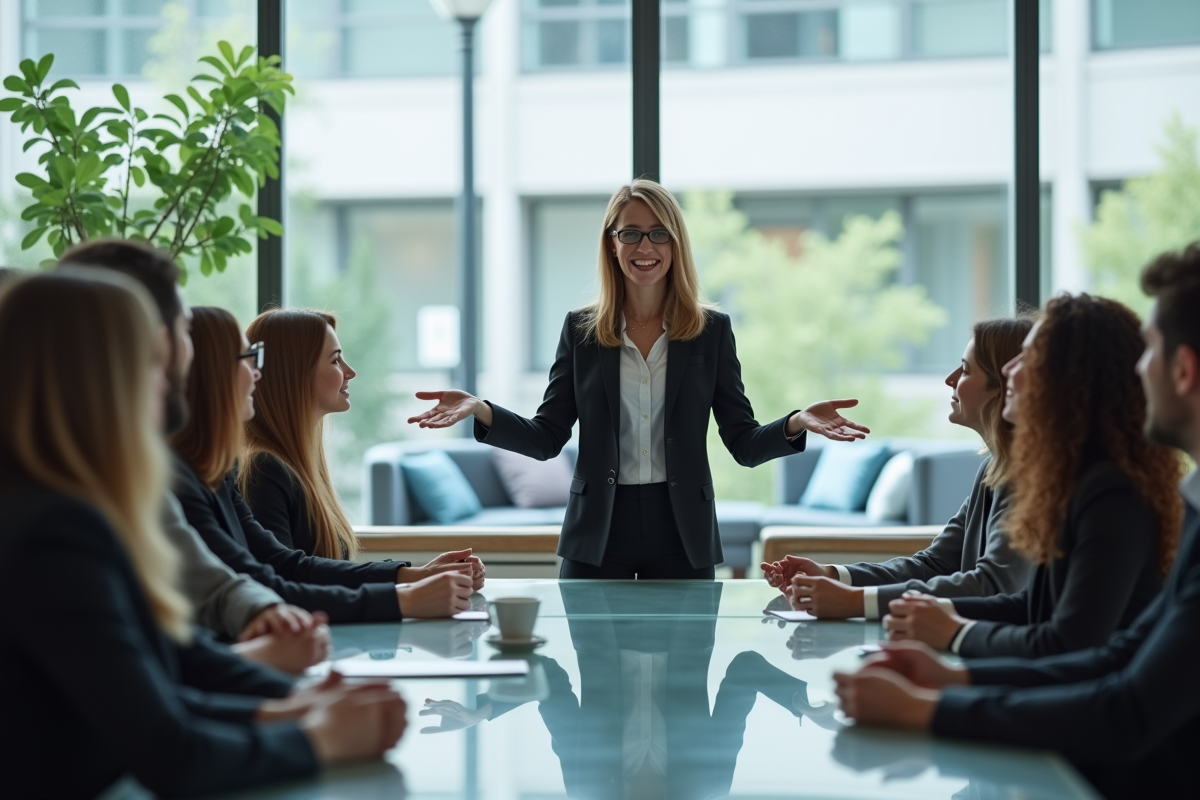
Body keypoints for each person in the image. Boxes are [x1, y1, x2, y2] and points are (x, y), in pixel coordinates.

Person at [0, 270, 407, 797]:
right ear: (99, 382)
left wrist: (292, 705)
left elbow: (158, 690)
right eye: (154, 366)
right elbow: (172, 752)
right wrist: (319, 737)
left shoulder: (60, 508)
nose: (171, 386)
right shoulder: (56, 532)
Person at [833, 244, 1200, 800]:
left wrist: (933, 703)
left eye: (1149, 350)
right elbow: (1111, 651)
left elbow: (1114, 692)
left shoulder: (1112, 490)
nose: (1009, 371)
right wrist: (954, 676)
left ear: (1183, 369)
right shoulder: (1113, 488)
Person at [408, 179, 870, 579]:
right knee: (597, 676)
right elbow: (547, 438)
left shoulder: (711, 333)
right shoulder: (581, 331)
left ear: (675, 245)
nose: (644, 247)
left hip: (682, 531)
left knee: (684, 676)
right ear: (612, 243)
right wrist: (481, 410)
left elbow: (743, 443)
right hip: (598, 532)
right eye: (630, 233)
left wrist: (796, 422)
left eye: (658, 234)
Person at [57, 239, 327, 673]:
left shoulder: (135, 474)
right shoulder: (64, 509)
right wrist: (296, 712)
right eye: (183, 332)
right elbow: (146, 695)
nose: (188, 353)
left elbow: (213, 596)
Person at [877, 294, 1183, 659]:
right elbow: (1032, 607)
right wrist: (932, 620)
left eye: (1029, 359)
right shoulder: (1068, 480)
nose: (1010, 370)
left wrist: (954, 643)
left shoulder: (1109, 491)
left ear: (1069, 382)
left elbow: (1065, 644)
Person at [173, 306, 478, 620]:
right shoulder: (247, 471)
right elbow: (272, 583)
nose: (255, 373)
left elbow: (282, 567)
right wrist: (405, 598)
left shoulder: (219, 475)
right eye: (335, 360)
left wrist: (416, 578)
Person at [761, 318, 1033, 619]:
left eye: (966, 370)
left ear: (1002, 387)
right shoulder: (992, 471)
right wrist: (832, 575)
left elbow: (991, 585)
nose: (950, 379)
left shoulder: (1030, 476)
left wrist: (855, 601)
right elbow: (934, 565)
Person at [237, 307, 485, 584]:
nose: (350, 372)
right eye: (335, 361)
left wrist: (420, 576)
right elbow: (288, 576)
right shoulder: (263, 469)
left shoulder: (295, 464)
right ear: (295, 373)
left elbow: (322, 575)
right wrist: (411, 579)